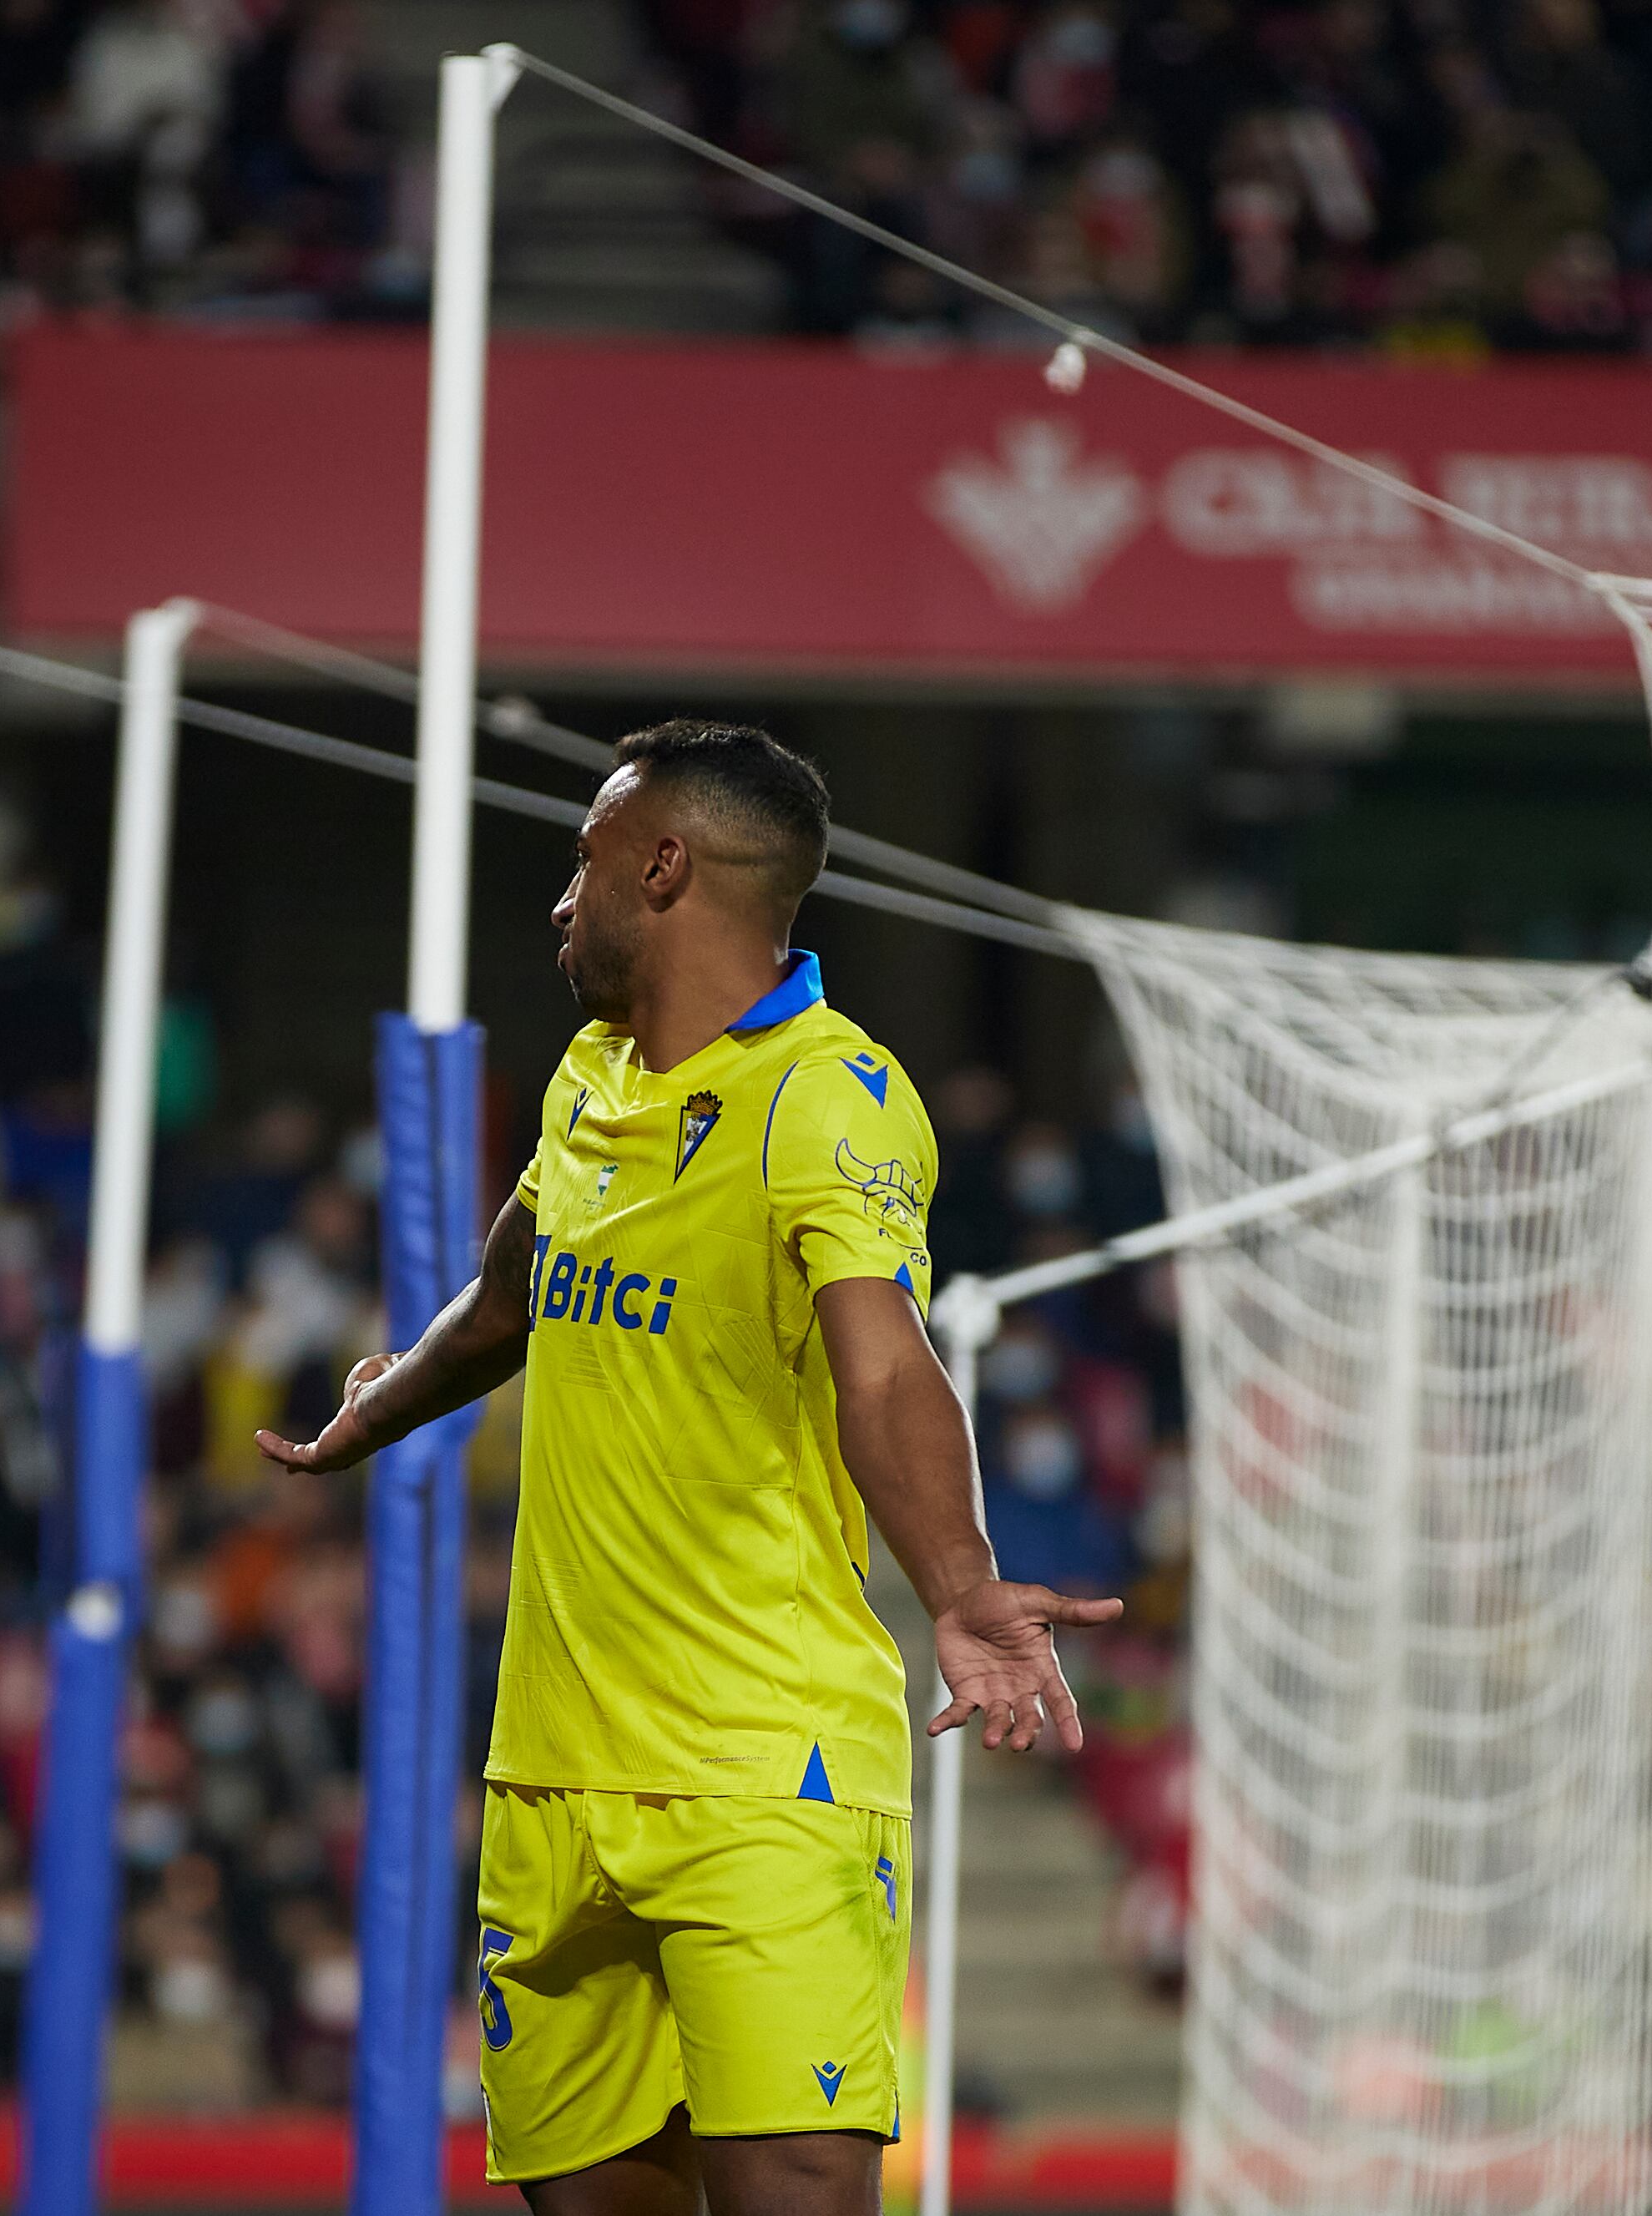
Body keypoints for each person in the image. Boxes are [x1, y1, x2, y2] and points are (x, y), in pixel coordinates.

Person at [257, 721, 1119, 2215]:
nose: (558, 902)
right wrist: (382, 1405)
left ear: (662, 866)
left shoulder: (826, 1094)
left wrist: (962, 1589)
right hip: (553, 1773)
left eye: (580, 863)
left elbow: (884, 1361)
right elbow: (515, 1292)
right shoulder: (588, 1077)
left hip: (759, 1770)